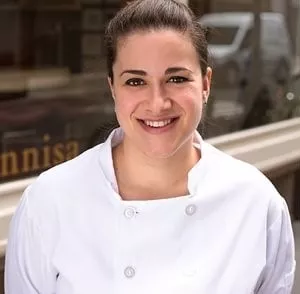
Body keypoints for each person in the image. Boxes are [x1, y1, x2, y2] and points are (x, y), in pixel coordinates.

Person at [5, 0, 295, 293]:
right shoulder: (49, 203)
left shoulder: (257, 205)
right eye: (135, 81)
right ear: (112, 88)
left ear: (205, 85)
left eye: (177, 78)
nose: (158, 103)